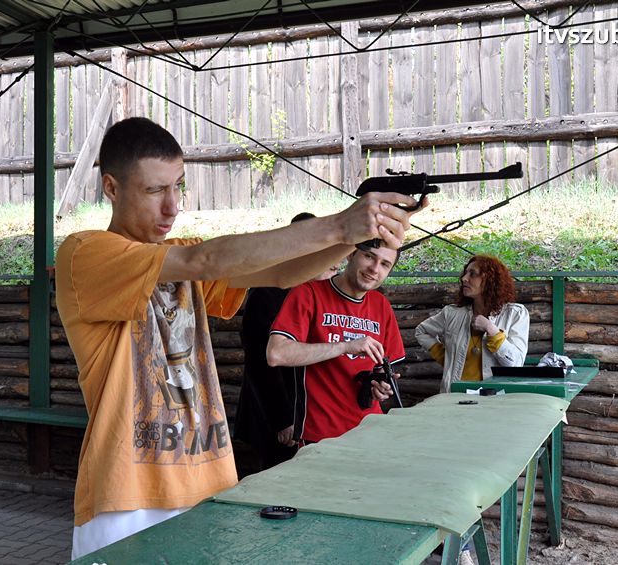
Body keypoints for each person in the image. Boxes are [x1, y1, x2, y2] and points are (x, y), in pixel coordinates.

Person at [55, 116, 421, 559]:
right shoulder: (85, 252)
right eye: (154, 191)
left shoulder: (177, 251)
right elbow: (203, 261)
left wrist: (364, 232)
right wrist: (341, 227)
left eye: (178, 186)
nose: (172, 206)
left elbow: (282, 273)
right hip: (126, 492)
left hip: (206, 482)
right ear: (111, 188)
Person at [265, 243, 406, 445]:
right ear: (350, 255)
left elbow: (383, 368)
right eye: (368, 256)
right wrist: (345, 346)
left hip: (370, 430)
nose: (375, 269)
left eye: (384, 264)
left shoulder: (381, 305)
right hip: (320, 434)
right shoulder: (308, 293)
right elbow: (276, 354)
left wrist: (381, 386)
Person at [233, 213, 340, 472]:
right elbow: (260, 361)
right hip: (275, 415)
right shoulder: (268, 292)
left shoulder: (320, 291)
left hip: (310, 411)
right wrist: (283, 419)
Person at [414, 254, 529, 393]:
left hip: (496, 400)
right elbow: (421, 331)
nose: (464, 278)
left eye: (472, 274)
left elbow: (515, 365)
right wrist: (445, 357)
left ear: (490, 280)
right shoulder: (452, 313)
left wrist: (491, 330)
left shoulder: (515, 314)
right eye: (465, 273)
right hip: (455, 397)